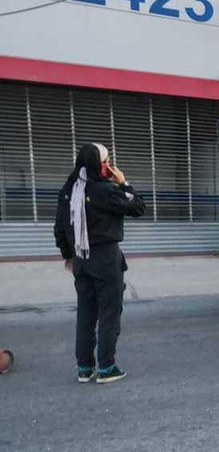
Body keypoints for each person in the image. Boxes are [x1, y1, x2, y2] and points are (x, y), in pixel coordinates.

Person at [54, 144, 145, 383]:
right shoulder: (104, 190)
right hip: (105, 258)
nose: (109, 166)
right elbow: (138, 206)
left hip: (80, 260)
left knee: (85, 313)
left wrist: (68, 255)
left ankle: (84, 368)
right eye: (106, 161)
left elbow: (59, 228)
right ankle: (106, 367)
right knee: (109, 312)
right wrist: (124, 183)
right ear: (98, 164)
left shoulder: (68, 190)